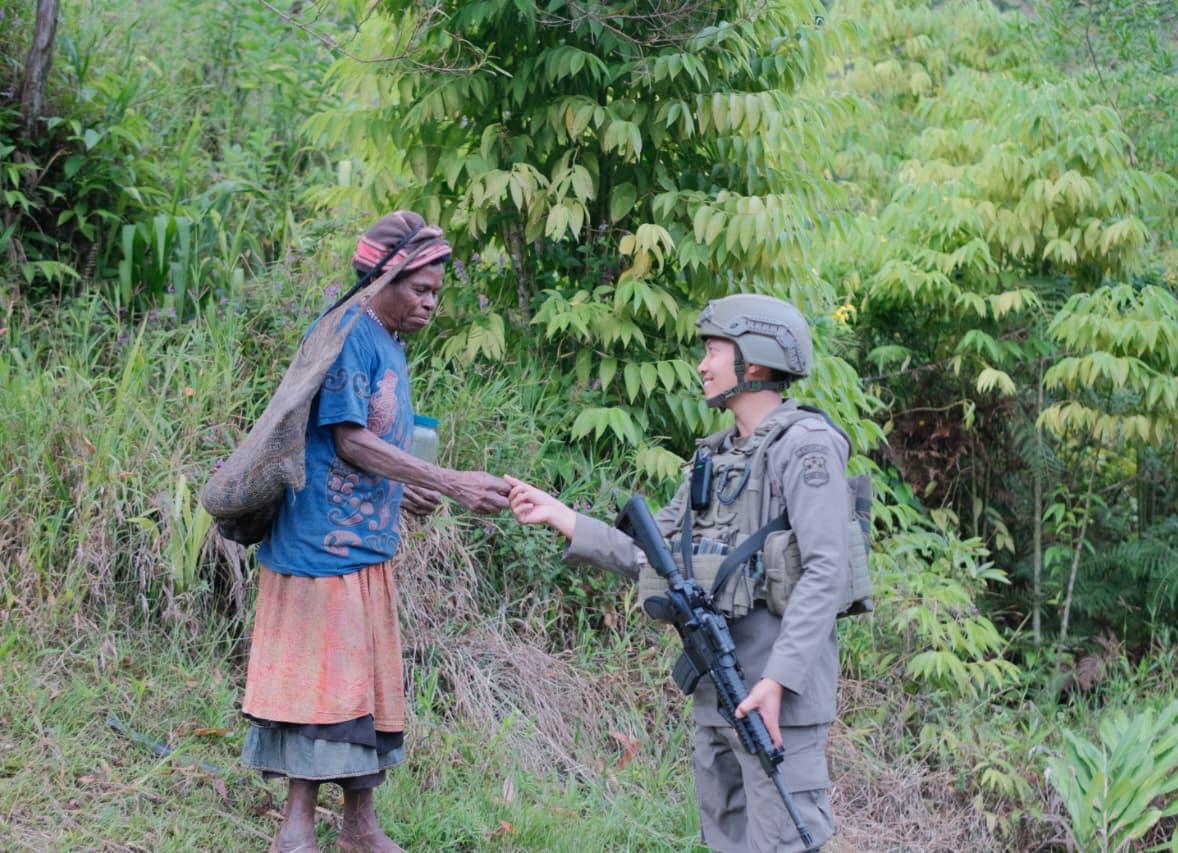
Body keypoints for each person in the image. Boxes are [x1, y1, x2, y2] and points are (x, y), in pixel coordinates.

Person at [507, 294, 851, 852]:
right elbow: (652, 554)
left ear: (755, 361)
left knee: (784, 841)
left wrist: (777, 681)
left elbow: (826, 573)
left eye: (715, 349)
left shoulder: (806, 448)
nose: (703, 364)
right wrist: (564, 518)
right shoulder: (712, 458)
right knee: (725, 837)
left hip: (776, 693)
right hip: (718, 688)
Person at [240, 211, 510, 853]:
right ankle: (296, 831)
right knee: (320, 691)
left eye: (437, 293)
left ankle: (359, 828)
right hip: (318, 551)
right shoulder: (347, 333)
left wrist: (407, 486)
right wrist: (450, 480)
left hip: (364, 549)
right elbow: (349, 439)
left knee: (364, 689)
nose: (430, 303)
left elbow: (368, 448)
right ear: (385, 276)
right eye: (421, 288)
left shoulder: (387, 341)